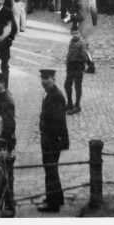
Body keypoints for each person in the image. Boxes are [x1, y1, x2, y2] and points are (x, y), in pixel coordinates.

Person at [37, 68, 69, 213]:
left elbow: (59, 122)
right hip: (49, 138)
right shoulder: (49, 93)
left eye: (47, 78)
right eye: (42, 78)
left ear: (53, 78)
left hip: (51, 139)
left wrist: (55, 139)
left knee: (50, 170)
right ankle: (57, 197)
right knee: (51, 169)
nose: (44, 81)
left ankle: (53, 204)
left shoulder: (56, 96)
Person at [67, 0, 97, 73]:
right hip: (81, 27)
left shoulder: (81, 0)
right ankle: (84, 66)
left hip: (84, 28)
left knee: (83, 48)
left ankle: (90, 66)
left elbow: (82, 16)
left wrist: (71, 17)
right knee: (81, 48)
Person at [64, 26, 90, 114]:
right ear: (71, 34)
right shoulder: (71, 41)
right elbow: (69, 53)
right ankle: (70, 103)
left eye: (77, 33)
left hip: (78, 67)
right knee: (67, 85)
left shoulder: (82, 43)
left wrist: (78, 61)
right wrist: (67, 61)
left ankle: (77, 105)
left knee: (77, 86)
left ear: (79, 33)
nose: (75, 35)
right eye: (73, 33)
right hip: (70, 67)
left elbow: (85, 57)